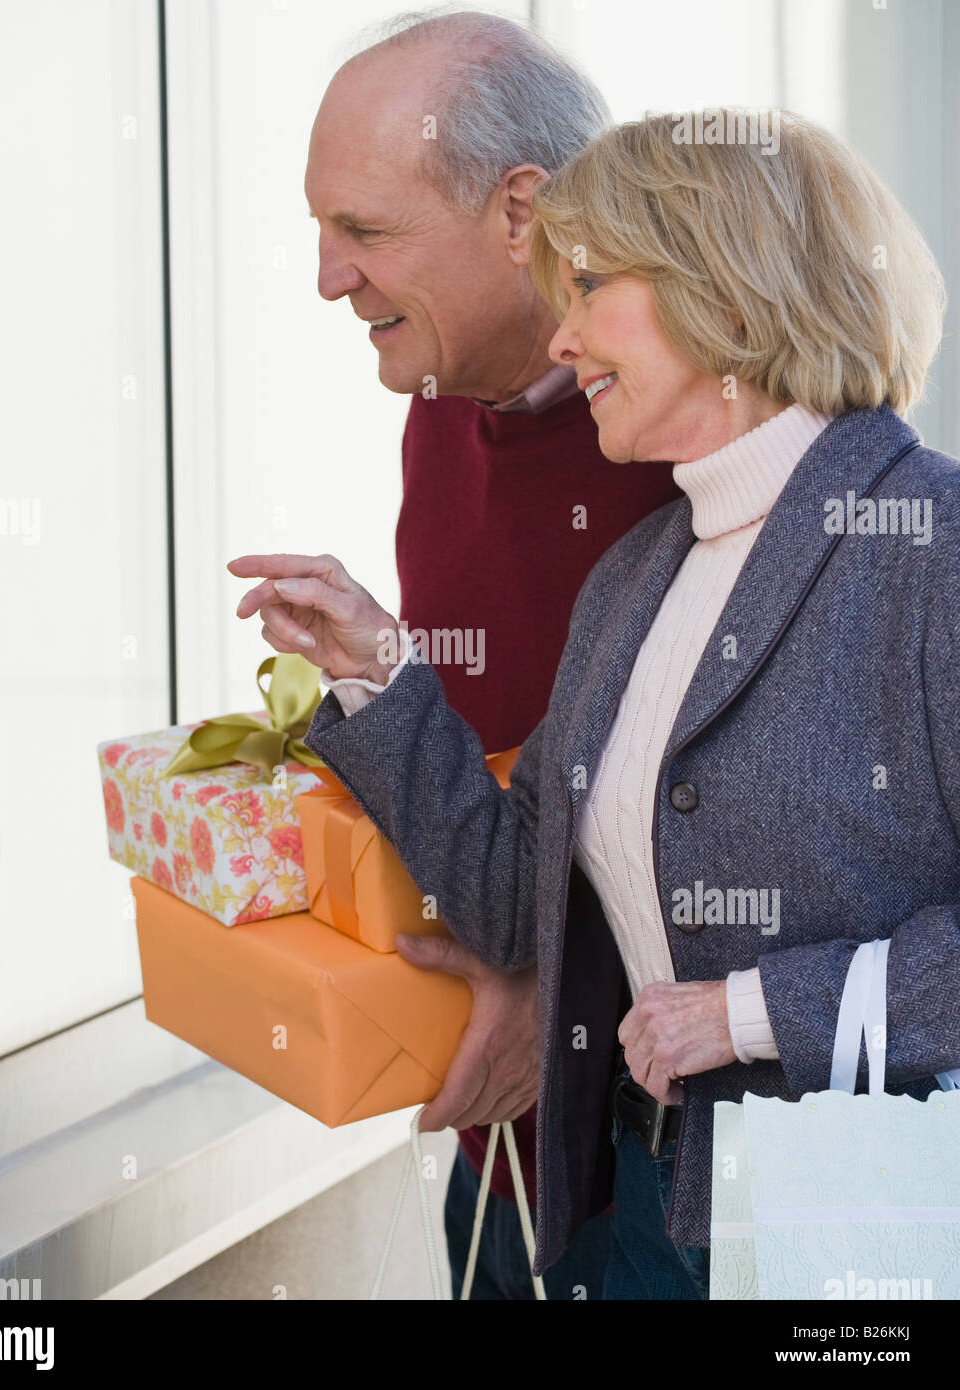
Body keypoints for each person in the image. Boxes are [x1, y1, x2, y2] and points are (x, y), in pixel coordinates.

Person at [239, 108, 958, 1298]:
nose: (562, 340)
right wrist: (375, 670)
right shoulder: (637, 575)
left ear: (724, 291)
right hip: (643, 1222)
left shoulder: (928, 548)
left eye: (586, 289)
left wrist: (751, 1012)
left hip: (859, 1240)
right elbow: (519, 902)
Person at [303, 9, 679, 1298]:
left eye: (363, 230)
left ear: (521, 212)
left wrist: (562, 989)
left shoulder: (701, 441)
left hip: (669, 1148)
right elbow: (493, 759)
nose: (326, 278)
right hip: (497, 1131)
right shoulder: (439, 410)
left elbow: (798, 848)